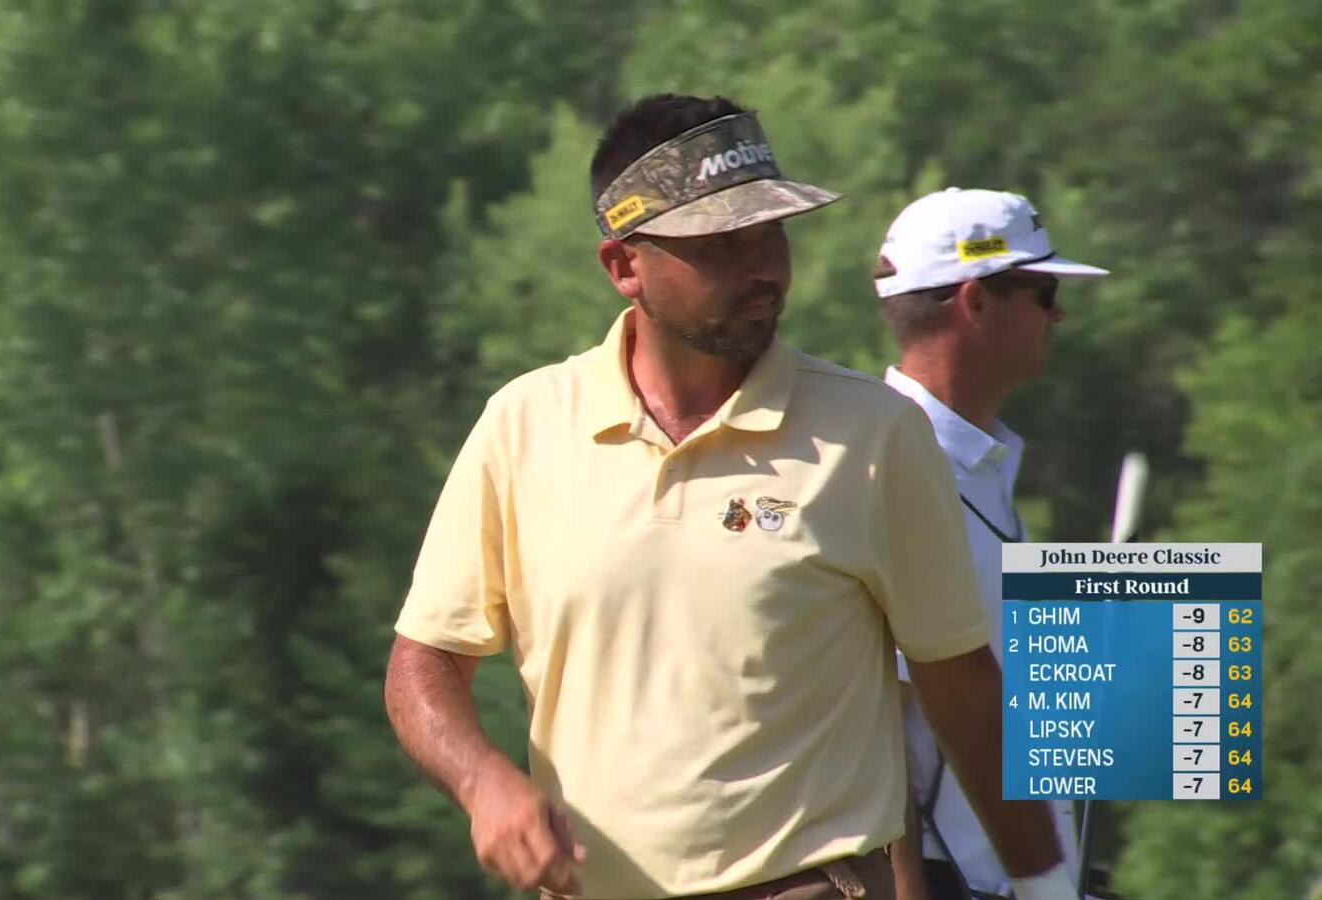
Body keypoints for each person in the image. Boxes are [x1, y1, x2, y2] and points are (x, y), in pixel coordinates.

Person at [384, 95, 1075, 900]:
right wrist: (485, 787)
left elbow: (960, 688)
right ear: (624, 268)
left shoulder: (875, 434)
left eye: (773, 234)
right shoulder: (524, 423)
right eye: (723, 244)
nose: (764, 269)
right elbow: (423, 663)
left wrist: (1047, 884)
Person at [871, 188, 1109, 900]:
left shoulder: (975, 465)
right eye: (1042, 292)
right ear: (975, 303)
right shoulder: (892, 470)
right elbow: (879, 733)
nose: (1058, 312)